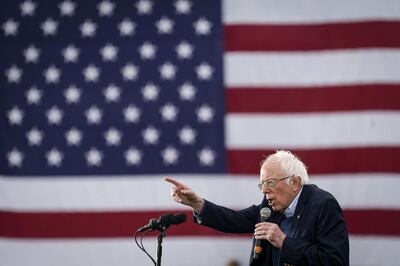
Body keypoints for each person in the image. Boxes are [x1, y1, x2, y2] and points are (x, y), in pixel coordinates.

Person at [165, 150, 349, 266]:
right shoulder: (269, 205)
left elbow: (335, 261)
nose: (265, 190)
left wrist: (284, 242)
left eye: (270, 182)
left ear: (295, 182)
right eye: (262, 184)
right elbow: (235, 221)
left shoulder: (323, 204)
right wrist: (197, 203)